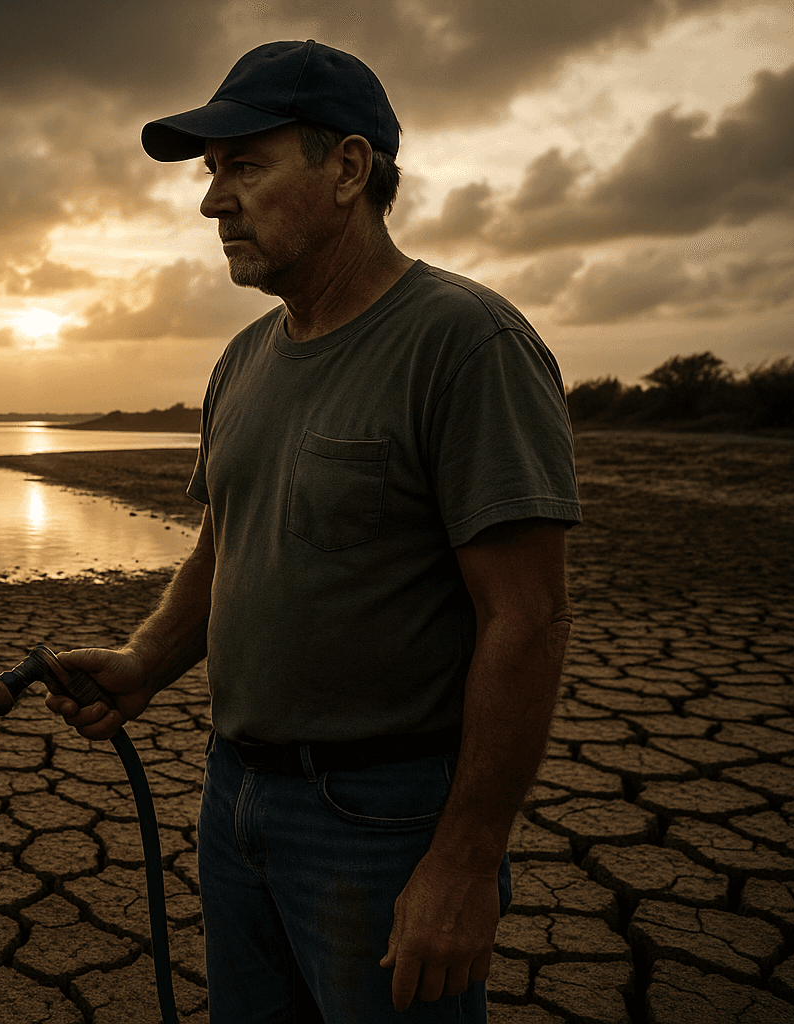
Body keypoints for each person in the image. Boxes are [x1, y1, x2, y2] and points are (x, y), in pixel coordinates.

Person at [47, 40, 581, 1022]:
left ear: (348, 168)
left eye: (244, 166)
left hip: (382, 817)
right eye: (212, 175)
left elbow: (527, 618)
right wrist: (144, 661)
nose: (213, 202)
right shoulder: (244, 360)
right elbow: (229, 545)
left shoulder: (466, 344)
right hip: (235, 795)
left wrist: (467, 859)